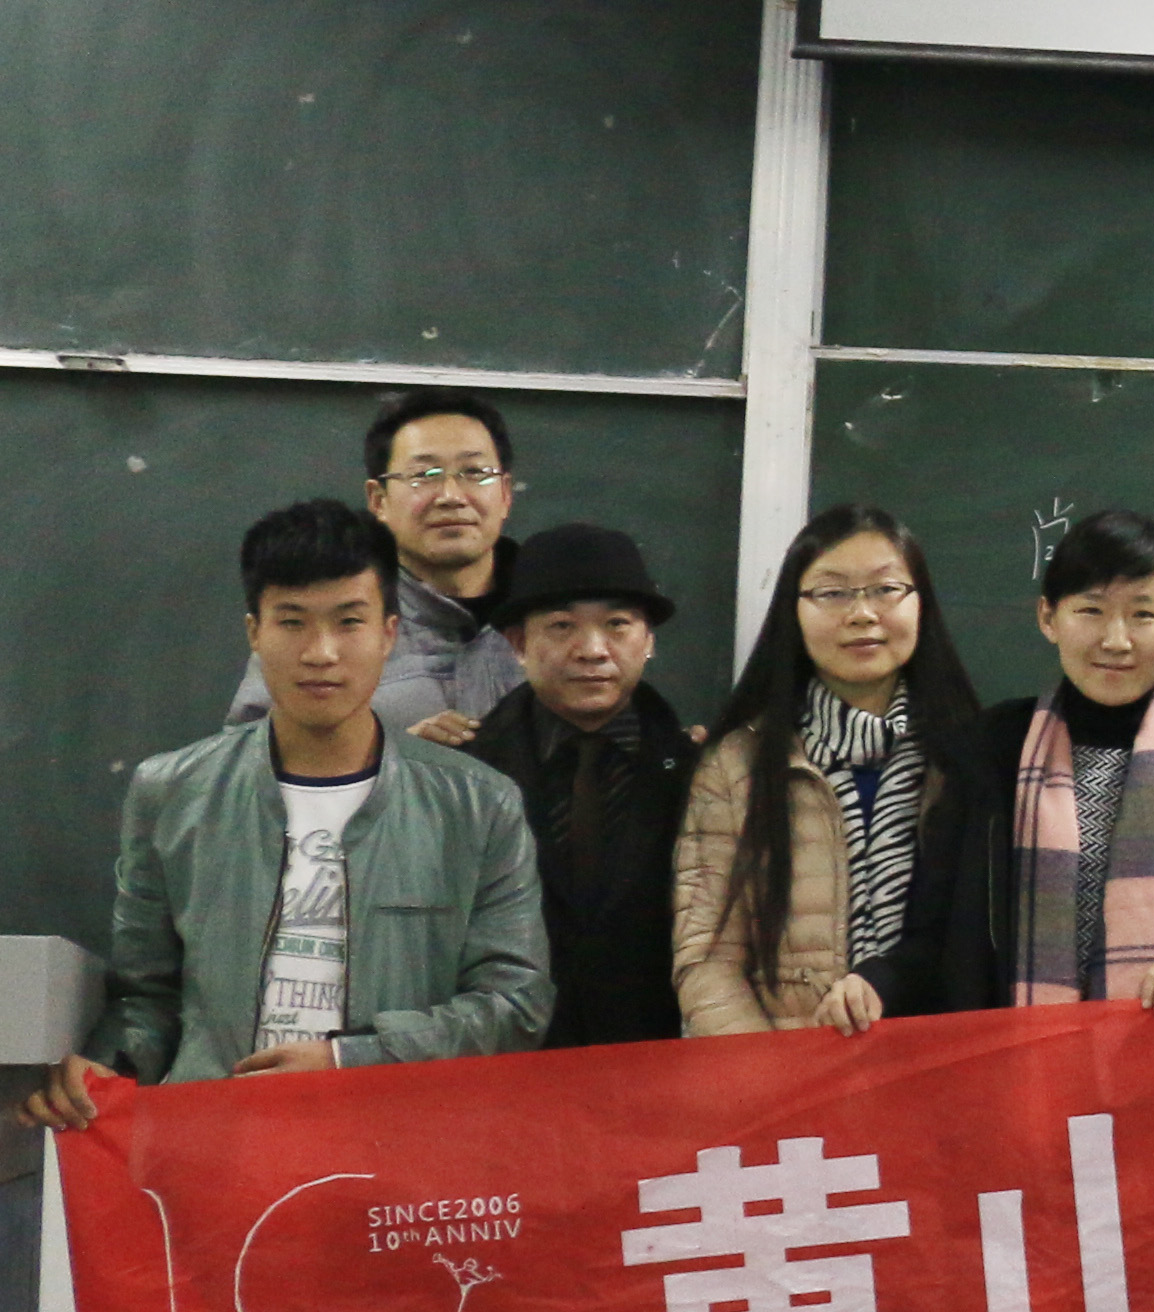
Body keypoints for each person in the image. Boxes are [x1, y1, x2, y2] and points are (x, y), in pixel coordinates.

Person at [35, 503, 546, 1124]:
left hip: (401, 1147)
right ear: (255, 632)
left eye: (349, 622)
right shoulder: (171, 792)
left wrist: (349, 1060)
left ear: (389, 634)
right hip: (221, 1143)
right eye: (292, 622)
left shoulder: (477, 804)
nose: (321, 652)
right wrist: (108, 1065)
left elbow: (515, 1005)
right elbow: (146, 998)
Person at [870, 509, 1154, 1016]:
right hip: (1014, 1053)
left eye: (1143, 615)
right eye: (1091, 611)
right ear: (1048, 617)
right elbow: (933, 936)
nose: (1116, 640)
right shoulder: (986, 757)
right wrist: (875, 983)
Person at [673, 505, 980, 1037]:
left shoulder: (966, 758)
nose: (861, 614)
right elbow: (707, 961)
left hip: (939, 1064)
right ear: (792, 610)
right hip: (786, 1068)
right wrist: (781, 1075)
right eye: (832, 593)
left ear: (921, 602)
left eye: (886, 589)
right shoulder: (737, 764)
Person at [463, 521, 696, 1050]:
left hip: (657, 1061)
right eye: (562, 626)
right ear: (518, 643)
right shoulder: (466, 774)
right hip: (506, 1060)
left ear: (649, 640)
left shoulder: (700, 773)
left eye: (617, 625)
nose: (593, 650)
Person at [227, 390, 522, 746]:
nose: (451, 496)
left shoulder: (554, 616)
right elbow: (243, 760)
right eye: (423, 475)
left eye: (474, 472)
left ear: (505, 493)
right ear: (378, 500)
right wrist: (383, 760)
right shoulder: (329, 620)